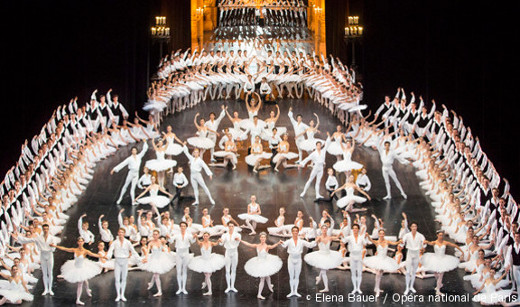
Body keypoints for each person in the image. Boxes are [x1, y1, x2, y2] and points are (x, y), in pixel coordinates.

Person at [53, 237, 102, 305]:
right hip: (75, 267)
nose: (80, 243)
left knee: (80, 283)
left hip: (82, 268)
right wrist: (55, 246)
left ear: (83, 242)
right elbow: (65, 249)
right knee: (84, 279)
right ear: (77, 242)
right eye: (79, 241)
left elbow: (93, 254)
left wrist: (103, 256)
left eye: (81, 241)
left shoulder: (85, 251)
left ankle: (78, 299)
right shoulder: (74, 250)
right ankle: (87, 290)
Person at [12, 224, 58, 296]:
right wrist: (18, 238)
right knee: (44, 273)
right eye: (44, 229)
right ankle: (46, 289)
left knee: (50, 272)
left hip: (50, 256)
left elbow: (54, 248)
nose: (45, 230)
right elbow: (27, 240)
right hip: (42, 256)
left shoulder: (52, 238)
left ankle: (50, 289)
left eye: (47, 229)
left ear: (48, 229)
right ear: (42, 230)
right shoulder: (38, 238)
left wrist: (50, 247)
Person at [241, 233, 283, 299]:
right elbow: (249, 244)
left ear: (265, 238)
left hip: (265, 263)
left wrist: (278, 243)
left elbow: (272, 246)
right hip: (259, 262)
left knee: (266, 276)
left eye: (264, 237)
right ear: (260, 238)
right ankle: (261, 293)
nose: (263, 238)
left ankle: (267, 289)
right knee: (264, 277)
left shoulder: (267, 246)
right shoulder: (257, 245)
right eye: (262, 237)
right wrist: (240, 240)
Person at [422, 231, 464, 296]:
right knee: (436, 274)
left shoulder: (445, 242)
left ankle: (438, 290)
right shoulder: (434, 242)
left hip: (443, 260)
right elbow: (429, 243)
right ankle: (440, 284)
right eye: (440, 235)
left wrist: (462, 251)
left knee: (441, 275)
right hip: (435, 259)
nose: (441, 236)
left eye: (442, 235)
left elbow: (454, 245)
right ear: (437, 235)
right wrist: (425, 242)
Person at [304, 224, 343, 293]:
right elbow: (313, 244)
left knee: (323, 269)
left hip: (328, 255)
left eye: (325, 228)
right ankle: (326, 287)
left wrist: (340, 234)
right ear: (321, 230)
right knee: (323, 270)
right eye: (323, 228)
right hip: (321, 255)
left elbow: (337, 237)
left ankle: (320, 280)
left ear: (327, 230)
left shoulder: (329, 237)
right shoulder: (319, 237)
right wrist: (306, 243)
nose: (324, 230)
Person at [106, 228, 141, 302]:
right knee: (117, 278)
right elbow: (110, 251)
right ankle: (118, 295)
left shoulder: (128, 242)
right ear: (118, 233)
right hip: (117, 261)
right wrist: (107, 257)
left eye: (122, 232)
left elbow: (133, 251)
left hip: (125, 261)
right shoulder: (115, 242)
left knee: (124, 278)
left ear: (124, 234)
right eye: (119, 232)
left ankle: (122, 294)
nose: (121, 234)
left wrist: (139, 259)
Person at [280, 226, 317, 297]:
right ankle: (291, 291)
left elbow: (310, 245)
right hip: (291, 259)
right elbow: (284, 245)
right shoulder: (289, 241)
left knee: (297, 276)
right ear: (292, 232)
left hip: (298, 259)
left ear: (298, 232)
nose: (295, 232)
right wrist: (281, 242)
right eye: (293, 231)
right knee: (291, 276)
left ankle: (295, 291)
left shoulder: (301, 241)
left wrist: (316, 241)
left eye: (296, 231)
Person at [110, 140, 149, 205]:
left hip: (136, 174)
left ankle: (133, 201)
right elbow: (122, 164)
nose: (134, 151)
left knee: (133, 188)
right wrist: (114, 169)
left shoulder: (139, 157)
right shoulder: (129, 159)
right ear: (131, 151)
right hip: (131, 173)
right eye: (133, 150)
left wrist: (145, 142)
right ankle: (120, 199)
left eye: (135, 150)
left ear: (136, 151)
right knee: (125, 186)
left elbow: (144, 150)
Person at [364, 230, 400, 297]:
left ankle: (376, 287)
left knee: (380, 273)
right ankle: (377, 289)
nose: (382, 235)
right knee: (378, 273)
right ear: (378, 234)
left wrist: (399, 242)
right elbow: (370, 240)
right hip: (378, 259)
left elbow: (394, 243)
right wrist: (368, 235)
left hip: (385, 259)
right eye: (380, 234)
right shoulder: (377, 242)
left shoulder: (387, 241)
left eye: (383, 233)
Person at [140, 229, 176, 297]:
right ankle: (158, 290)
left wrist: (168, 238)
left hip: (160, 258)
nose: (155, 236)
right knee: (156, 274)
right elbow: (147, 252)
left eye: (156, 234)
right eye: (154, 234)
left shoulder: (161, 241)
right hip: (154, 259)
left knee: (156, 273)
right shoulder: (151, 243)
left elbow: (169, 243)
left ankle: (154, 287)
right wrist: (146, 258)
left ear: (158, 235)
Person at [298, 134, 331, 200]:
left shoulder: (323, 151)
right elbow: (307, 159)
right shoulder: (313, 153)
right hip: (315, 167)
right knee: (310, 180)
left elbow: (327, 144)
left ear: (321, 146)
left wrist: (328, 137)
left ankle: (317, 195)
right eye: (318, 145)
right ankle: (304, 192)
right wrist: (301, 164)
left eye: (320, 145)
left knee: (318, 182)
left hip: (321, 168)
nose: (319, 146)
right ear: (316, 146)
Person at [171, 222, 196, 295]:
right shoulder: (176, 235)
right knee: (178, 270)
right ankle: (179, 288)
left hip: (186, 253)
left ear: (186, 227)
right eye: (181, 226)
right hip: (178, 253)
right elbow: (171, 240)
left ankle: (184, 288)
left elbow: (192, 241)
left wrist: (194, 237)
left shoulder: (188, 235)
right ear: (180, 227)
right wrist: (168, 237)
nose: (182, 227)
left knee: (184, 270)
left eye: (184, 226)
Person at [401, 222, 425, 295]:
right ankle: (407, 287)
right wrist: (401, 244)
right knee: (408, 272)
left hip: (417, 253)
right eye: (413, 226)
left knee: (414, 271)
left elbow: (424, 244)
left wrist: (423, 248)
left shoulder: (420, 235)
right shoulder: (407, 235)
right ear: (410, 227)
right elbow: (402, 242)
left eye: (415, 226)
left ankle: (411, 286)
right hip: (410, 253)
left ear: (417, 227)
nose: (414, 228)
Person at [342, 223, 367, 294]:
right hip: (352, 256)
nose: (355, 230)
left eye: (356, 228)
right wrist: (341, 234)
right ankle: (354, 288)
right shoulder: (350, 237)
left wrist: (365, 237)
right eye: (354, 228)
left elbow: (365, 243)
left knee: (359, 273)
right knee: (353, 273)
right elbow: (343, 241)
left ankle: (358, 288)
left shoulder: (361, 237)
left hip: (359, 257)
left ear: (358, 230)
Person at [219, 222, 241, 293]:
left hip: (234, 252)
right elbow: (221, 244)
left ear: (234, 227)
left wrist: (238, 240)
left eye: (232, 226)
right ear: (228, 227)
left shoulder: (238, 235)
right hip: (228, 252)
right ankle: (228, 286)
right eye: (230, 226)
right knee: (227, 270)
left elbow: (238, 243)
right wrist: (220, 241)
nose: (231, 227)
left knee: (233, 269)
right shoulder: (224, 235)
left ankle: (232, 286)